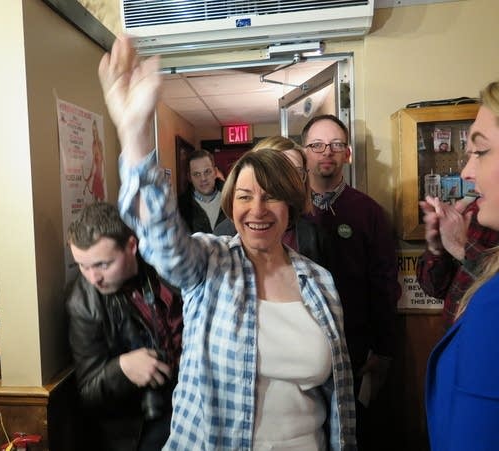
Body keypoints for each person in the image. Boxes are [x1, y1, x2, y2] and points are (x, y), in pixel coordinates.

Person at [99, 35, 356, 450]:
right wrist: (135, 136)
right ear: (230, 204)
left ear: (291, 206)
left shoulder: (320, 282)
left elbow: (336, 399)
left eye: (271, 195)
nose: (258, 209)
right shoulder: (211, 262)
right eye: (244, 196)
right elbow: (163, 242)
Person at [301, 114, 401, 450]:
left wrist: (383, 350)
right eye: (317, 145)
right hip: (300, 352)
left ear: (347, 154)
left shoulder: (368, 212)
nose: (326, 152)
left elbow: (386, 285)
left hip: (356, 353)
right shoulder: (287, 211)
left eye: (336, 145)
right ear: (304, 153)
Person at [65, 201, 183, 451]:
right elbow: (88, 391)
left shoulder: (164, 264)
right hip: (138, 427)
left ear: (131, 246)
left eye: (103, 265)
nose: (93, 277)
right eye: (82, 266)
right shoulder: (83, 302)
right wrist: (122, 369)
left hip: (192, 400)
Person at [426, 80, 499, 451]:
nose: (467, 172)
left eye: (481, 152)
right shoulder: (475, 210)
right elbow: (434, 285)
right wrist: (438, 246)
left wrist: (459, 249)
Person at [214, 135, 334, 269]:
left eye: (295, 172)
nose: (287, 181)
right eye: (277, 170)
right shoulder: (224, 234)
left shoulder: (314, 234)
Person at [417, 195, 499, 329]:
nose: (465, 174)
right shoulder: (473, 208)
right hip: (458, 339)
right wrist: (437, 250)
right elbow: (434, 289)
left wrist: (461, 249)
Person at [177, 149, 227, 233]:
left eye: (207, 172)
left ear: (215, 172)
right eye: (197, 174)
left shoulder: (231, 198)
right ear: (189, 177)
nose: (203, 179)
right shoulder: (179, 207)